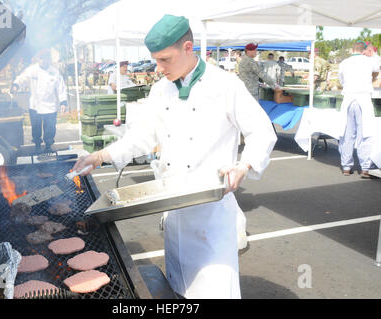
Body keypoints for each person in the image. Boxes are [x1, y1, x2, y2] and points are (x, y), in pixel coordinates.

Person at [71, 14, 277, 299]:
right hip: (175, 213)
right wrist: (101, 155)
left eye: (165, 59)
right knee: (177, 291)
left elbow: (262, 132)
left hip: (210, 216)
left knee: (215, 289)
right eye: (155, 60)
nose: (159, 68)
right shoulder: (160, 90)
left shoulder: (224, 85)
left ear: (188, 47)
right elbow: (142, 136)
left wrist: (245, 165)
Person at [11, 48, 67, 153]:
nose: (44, 61)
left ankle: (48, 146)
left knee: (50, 128)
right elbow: (22, 78)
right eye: (42, 59)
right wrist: (16, 85)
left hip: (50, 105)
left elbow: (61, 87)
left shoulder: (54, 72)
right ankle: (37, 145)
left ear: (49, 60)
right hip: (35, 105)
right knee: (36, 128)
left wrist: (63, 102)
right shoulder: (32, 70)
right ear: (38, 59)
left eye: (46, 59)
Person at [338, 41, 380, 178]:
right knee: (365, 134)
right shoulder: (369, 61)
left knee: (347, 133)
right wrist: (372, 53)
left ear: (352, 50)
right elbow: (378, 67)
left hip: (349, 99)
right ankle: (365, 168)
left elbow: (341, 80)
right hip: (363, 99)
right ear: (364, 50)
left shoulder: (344, 63)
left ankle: (346, 166)